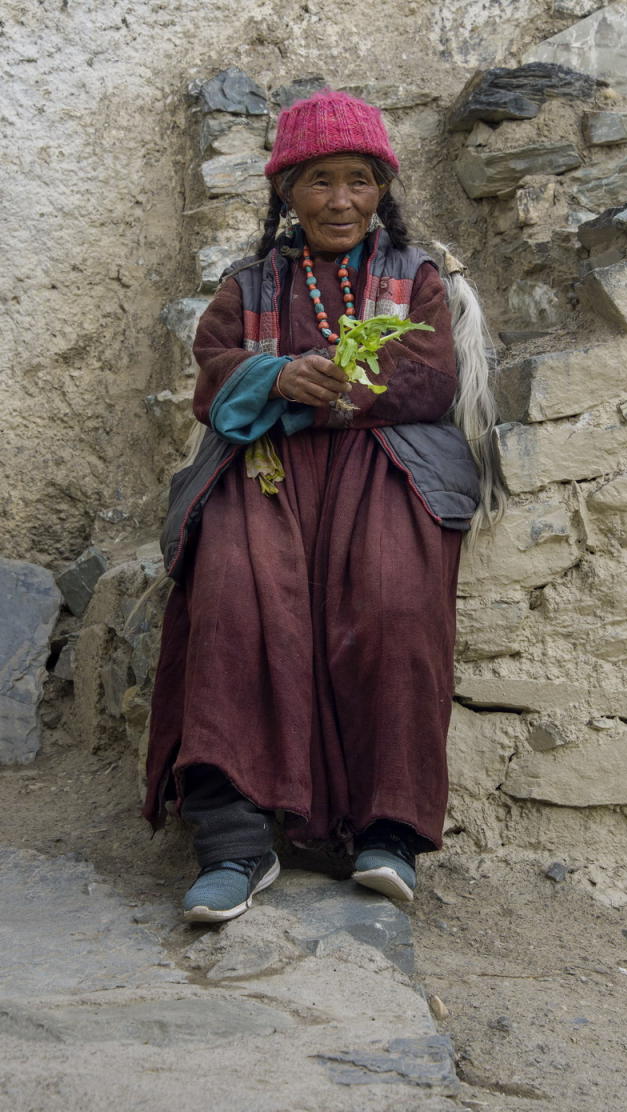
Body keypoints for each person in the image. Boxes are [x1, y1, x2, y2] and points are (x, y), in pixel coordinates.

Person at [143, 89, 501, 923]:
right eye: (319, 182)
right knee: (230, 601)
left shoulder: (414, 279)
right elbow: (212, 373)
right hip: (262, 470)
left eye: (359, 181)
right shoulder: (249, 283)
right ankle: (234, 843)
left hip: (387, 468)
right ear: (286, 194)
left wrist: (326, 391)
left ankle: (389, 835)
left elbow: (429, 381)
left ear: (382, 188)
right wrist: (274, 375)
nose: (341, 201)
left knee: (393, 605)